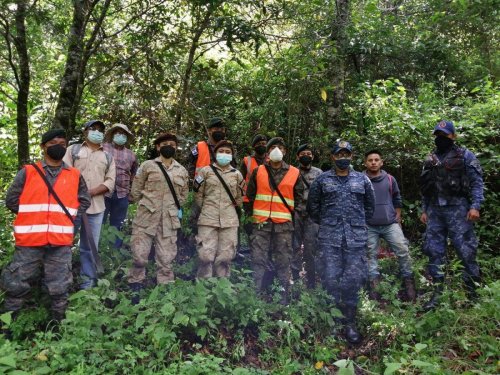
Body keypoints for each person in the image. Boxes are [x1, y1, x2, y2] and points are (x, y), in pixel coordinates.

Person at [1, 129, 91, 321]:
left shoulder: (74, 175)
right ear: (43, 147)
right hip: (29, 241)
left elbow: (84, 200)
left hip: (60, 242)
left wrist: (66, 218)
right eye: (53, 143)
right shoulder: (28, 172)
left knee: (60, 287)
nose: (58, 147)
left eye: (62, 144)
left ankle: (57, 327)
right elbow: (11, 200)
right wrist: (31, 216)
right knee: (17, 284)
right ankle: (7, 328)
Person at [307, 140, 375, 345]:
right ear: (332, 157)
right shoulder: (322, 180)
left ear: (352, 157)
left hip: (355, 239)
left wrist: (356, 224)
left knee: (353, 279)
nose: (342, 158)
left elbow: (369, 208)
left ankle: (350, 322)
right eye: (339, 154)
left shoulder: (362, 180)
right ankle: (334, 321)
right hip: (330, 238)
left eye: (346, 154)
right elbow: (313, 208)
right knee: (330, 277)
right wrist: (330, 223)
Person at [420, 120, 484, 310]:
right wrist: (424, 209)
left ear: (453, 136)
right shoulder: (430, 159)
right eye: (438, 135)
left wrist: (475, 206)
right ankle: (437, 294)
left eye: (444, 135)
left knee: (466, 251)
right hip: (434, 211)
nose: (441, 138)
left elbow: (477, 182)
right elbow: (425, 188)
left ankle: (473, 294)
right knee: (434, 251)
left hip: (459, 210)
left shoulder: (465, 156)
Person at [127, 133, 189, 301]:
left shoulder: (181, 171)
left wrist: (170, 207)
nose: (169, 146)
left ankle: (165, 287)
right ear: (158, 147)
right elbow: (136, 190)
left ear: (176, 148)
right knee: (139, 254)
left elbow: (183, 196)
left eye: (173, 144)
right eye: (165, 143)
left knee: (166, 257)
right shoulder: (147, 166)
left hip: (169, 219)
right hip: (146, 217)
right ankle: (136, 283)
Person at [246, 137, 305, 304]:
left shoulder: (294, 172)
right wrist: (251, 219)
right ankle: (255, 295)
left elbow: (300, 199)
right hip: (261, 224)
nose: (276, 150)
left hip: (284, 226)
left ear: (285, 152)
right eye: (273, 147)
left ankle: (283, 297)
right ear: (267, 152)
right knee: (258, 259)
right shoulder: (259, 171)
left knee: (283, 261)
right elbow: (249, 196)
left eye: (280, 147)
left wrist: (295, 218)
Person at [63, 120, 116, 289]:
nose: (97, 132)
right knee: (64, 245)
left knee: (89, 247)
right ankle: (62, 281)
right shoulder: (74, 150)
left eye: (100, 130)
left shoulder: (107, 156)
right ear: (85, 131)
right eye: (93, 129)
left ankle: (87, 284)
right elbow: (64, 172)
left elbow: (110, 181)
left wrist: (90, 193)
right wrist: (78, 194)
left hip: (96, 208)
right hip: (71, 207)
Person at [363, 150, 416, 302]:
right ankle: (374, 288)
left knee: (403, 250)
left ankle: (409, 283)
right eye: (370, 160)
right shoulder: (360, 179)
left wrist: (397, 216)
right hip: (369, 225)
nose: (373, 162)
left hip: (389, 224)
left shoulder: (390, 179)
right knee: (370, 255)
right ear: (365, 163)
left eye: (376, 159)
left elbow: (397, 198)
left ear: (381, 162)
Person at [194, 140, 244, 278]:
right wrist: (207, 209)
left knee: (226, 256)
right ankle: (204, 285)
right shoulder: (205, 172)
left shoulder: (237, 174)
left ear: (232, 156)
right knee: (205, 254)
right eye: (221, 151)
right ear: (215, 154)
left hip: (229, 221)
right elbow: (198, 195)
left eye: (228, 152)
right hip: (207, 219)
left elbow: (239, 198)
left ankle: (222, 284)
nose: (224, 154)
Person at [291, 143, 322, 288]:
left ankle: (311, 281)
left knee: (311, 248)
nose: (306, 156)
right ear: (298, 156)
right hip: (296, 213)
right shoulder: (291, 172)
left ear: (313, 156)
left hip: (312, 215)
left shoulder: (319, 173)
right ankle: (296, 278)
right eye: (303, 154)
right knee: (294, 246)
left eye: (309, 154)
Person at [103, 123, 138, 248]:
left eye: (123, 134)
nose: (120, 136)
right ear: (112, 134)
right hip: (103, 192)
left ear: (127, 137)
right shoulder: (103, 148)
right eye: (118, 133)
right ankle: (95, 250)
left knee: (118, 225)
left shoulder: (131, 154)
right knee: (98, 222)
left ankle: (114, 253)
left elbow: (134, 174)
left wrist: (132, 192)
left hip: (122, 194)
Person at [241, 134, 268, 236]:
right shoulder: (246, 161)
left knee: (265, 226)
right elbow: (240, 180)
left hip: (266, 199)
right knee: (250, 227)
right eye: (259, 144)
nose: (262, 146)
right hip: (249, 200)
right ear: (254, 146)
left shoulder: (271, 161)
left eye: (264, 144)